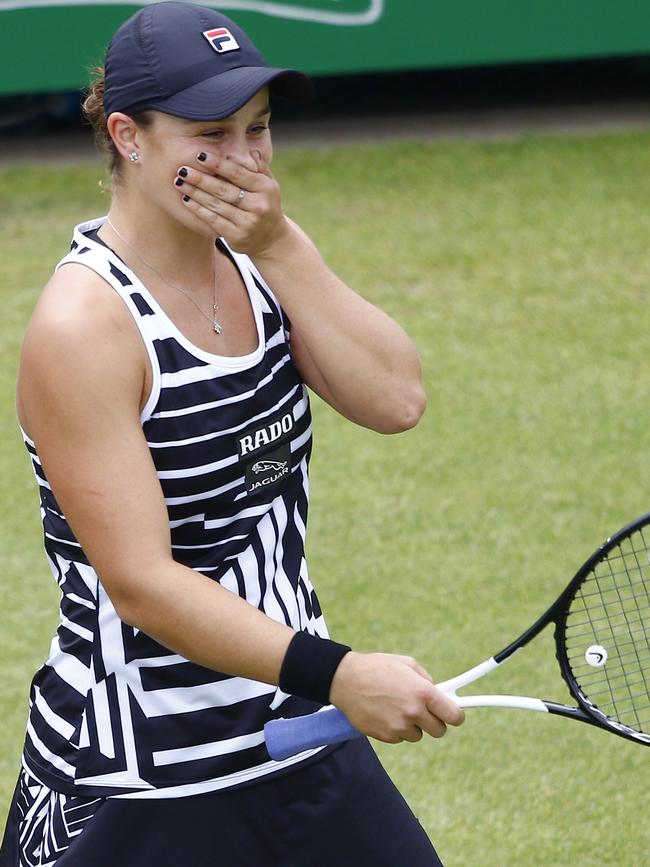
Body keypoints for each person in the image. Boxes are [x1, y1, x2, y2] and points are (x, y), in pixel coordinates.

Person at [0, 3, 464, 865]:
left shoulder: (259, 258)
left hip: (295, 730)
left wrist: (281, 244)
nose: (246, 160)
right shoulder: (83, 327)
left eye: (260, 129)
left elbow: (397, 396)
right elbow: (141, 583)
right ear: (129, 137)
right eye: (212, 133)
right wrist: (339, 671)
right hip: (143, 776)